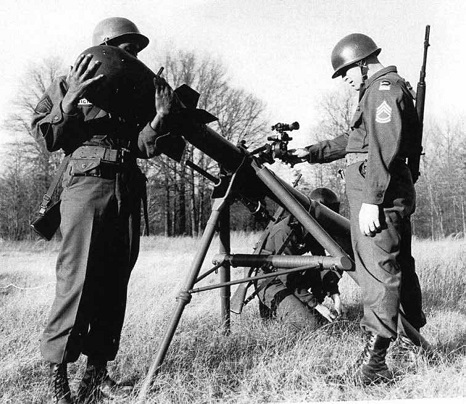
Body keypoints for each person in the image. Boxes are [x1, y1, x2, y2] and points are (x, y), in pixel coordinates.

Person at [31, 17, 175, 403]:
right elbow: (48, 135)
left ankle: (96, 376)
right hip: (87, 183)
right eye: (128, 49)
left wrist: (159, 118)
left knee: (115, 283)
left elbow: (144, 145)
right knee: (77, 280)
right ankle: (57, 375)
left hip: (126, 186)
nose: (134, 58)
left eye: (137, 52)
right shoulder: (69, 80)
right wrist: (69, 100)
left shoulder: (136, 90)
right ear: (106, 45)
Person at [292, 33, 426, 384]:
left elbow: (382, 147)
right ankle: (413, 345)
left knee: (377, 273)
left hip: (377, 198)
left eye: (347, 73)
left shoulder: (383, 89)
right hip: (379, 194)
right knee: (394, 267)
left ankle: (375, 366)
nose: (347, 81)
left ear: (362, 62)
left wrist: (372, 200)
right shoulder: (378, 90)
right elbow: (357, 141)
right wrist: (313, 152)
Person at [256, 187, 345, 328]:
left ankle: (309, 308)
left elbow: (324, 265)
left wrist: (335, 295)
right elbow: (287, 277)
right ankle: (275, 311)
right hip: (271, 280)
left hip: (292, 276)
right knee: (310, 325)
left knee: (334, 266)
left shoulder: (313, 230)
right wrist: (317, 305)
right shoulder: (285, 231)